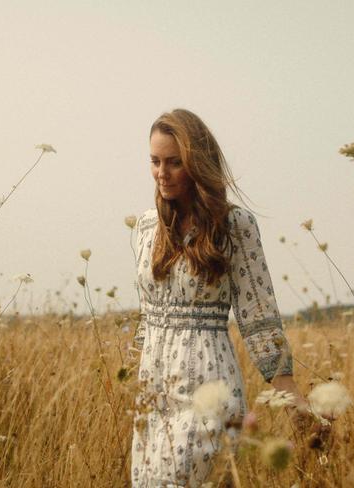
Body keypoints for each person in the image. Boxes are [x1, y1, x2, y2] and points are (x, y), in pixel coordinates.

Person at [130, 108, 306, 487]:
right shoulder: (146, 226)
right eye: (155, 161)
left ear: (197, 164)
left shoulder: (235, 226)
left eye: (175, 163)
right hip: (154, 392)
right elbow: (147, 315)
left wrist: (291, 398)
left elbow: (258, 315)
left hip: (208, 386)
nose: (162, 173)